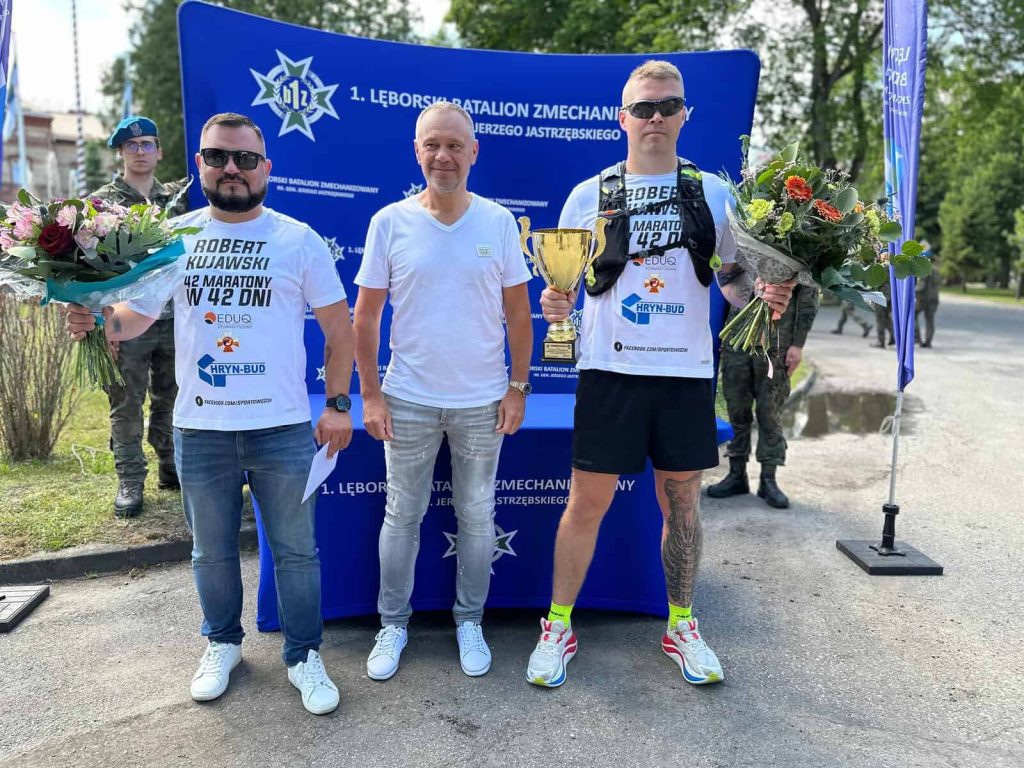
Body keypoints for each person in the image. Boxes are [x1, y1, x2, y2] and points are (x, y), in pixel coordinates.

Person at [67, 113, 352, 715]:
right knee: (210, 552)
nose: (231, 169)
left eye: (245, 159)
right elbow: (136, 317)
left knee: (297, 552)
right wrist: (96, 318)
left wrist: (336, 404)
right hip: (201, 428)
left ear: (265, 168)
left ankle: (304, 654)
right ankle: (222, 643)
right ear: (199, 165)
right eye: (218, 157)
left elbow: (339, 330)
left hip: (281, 427)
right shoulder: (176, 237)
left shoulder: (299, 239)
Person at [525, 61, 794, 688]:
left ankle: (681, 625)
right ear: (623, 117)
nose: (655, 117)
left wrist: (764, 294)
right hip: (609, 370)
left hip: (684, 374)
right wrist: (555, 301)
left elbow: (732, 279)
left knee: (682, 506)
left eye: (668, 106)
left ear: (684, 115)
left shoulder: (714, 194)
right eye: (643, 108)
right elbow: (565, 282)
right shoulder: (589, 194)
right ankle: (557, 626)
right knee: (585, 504)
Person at [353, 102, 533, 681]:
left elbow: (519, 313)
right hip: (407, 398)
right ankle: (392, 624)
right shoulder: (389, 222)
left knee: (477, 516)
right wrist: (371, 395)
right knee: (402, 513)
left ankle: (469, 620)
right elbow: (365, 317)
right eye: (432, 144)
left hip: (482, 401)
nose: (443, 156)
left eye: (455, 145)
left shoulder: (499, 223)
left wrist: (517, 387)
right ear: (417, 151)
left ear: (473, 152)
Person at [90, 116, 190, 518]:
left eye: (147, 144)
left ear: (159, 151)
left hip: (174, 317)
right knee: (126, 401)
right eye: (132, 146)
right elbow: (89, 267)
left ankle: (170, 464)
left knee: (173, 396)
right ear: (121, 152)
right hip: (126, 318)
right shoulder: (100, 203)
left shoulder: (179, 200)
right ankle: (130, 478)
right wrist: (100, 322)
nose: (140, 151)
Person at [708, 284, 819, 509]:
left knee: (769, 412)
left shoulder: (795, 261)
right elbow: (725, 286)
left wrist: (798, 344)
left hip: (776, 342)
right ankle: (736, 474)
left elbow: (808, 297)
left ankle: (768, 479)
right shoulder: (738, 258)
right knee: (736, 408)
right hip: (737, 339)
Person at [915, 245, 939, 347]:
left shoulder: (923, 270)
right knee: (930, 320)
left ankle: (917, 338)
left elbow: (921, 286)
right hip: (934, 298)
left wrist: (913, 291)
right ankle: (928, 342)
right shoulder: (936, 270)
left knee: (913, 314)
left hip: (923, 298)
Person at [872, 278, 895, 348]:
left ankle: (881, 341)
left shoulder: (882, 271)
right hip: (891, 297)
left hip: (882, 296)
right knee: (887, 317)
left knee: (880, 319)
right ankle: (894, 337)